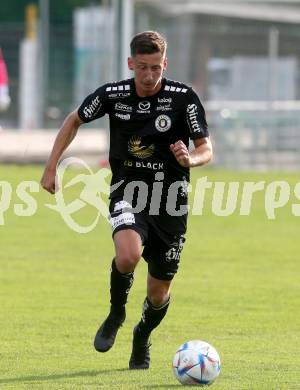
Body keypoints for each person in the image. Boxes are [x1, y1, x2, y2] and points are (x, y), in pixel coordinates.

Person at [41, 31, 213, 370]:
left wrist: (190, 159)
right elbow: (73, 119)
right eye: (142, 68)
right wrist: (51, 167)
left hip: (170, 202)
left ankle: (142, 335)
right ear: (131, 63)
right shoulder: (113, 94)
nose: (149, 77)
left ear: (165, 64)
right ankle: (116, 313)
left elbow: (206, 148)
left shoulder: (184, 98)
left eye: (156, 69)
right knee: (129, 254)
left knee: (158, 293)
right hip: (129, 192)